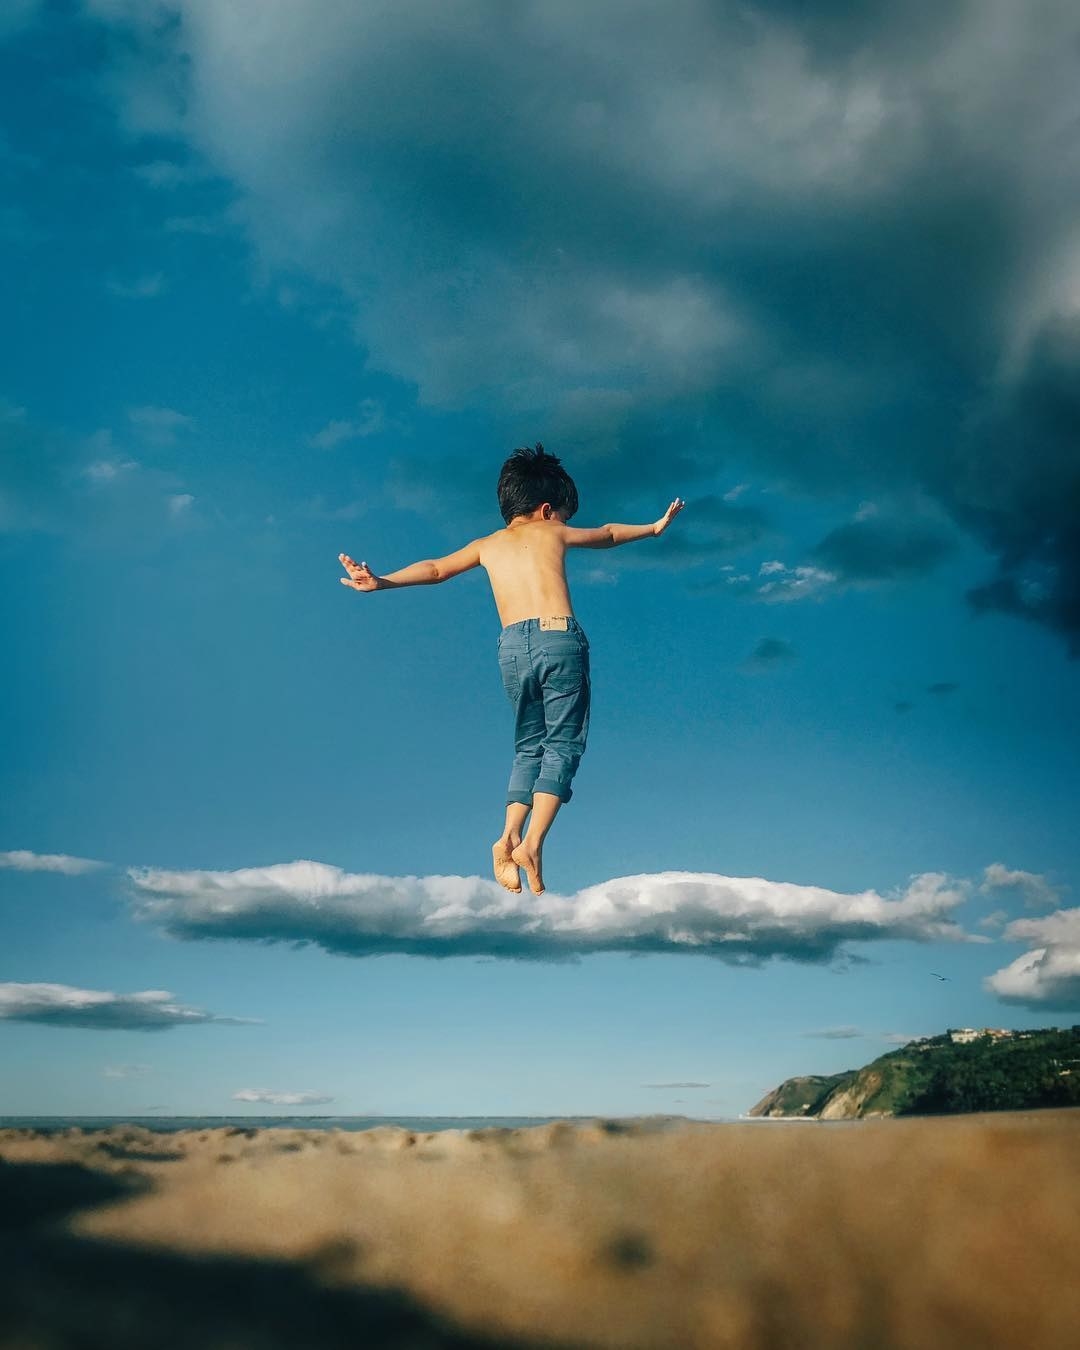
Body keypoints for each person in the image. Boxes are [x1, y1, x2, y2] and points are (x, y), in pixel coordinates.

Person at [339, 444, 684, 895]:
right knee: (562, 744)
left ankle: (507, 838)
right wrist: (655, 529)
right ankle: (533, 844)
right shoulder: (552, 533)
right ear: (546, 511)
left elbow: (437, 568)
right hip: (557, 637)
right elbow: (609, 534)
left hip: (510, 648)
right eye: (563, 515)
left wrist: (382, 581)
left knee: (528, 748)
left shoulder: (487, 545)